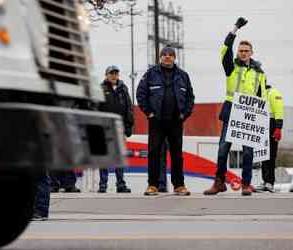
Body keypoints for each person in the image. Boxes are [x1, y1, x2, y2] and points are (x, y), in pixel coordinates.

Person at [203, 17, 267, 196]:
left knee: (248, 152)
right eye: (241, 50)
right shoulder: (231, 67)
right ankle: (219, 182)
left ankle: (246, 184)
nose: (243, 53)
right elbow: (225, 50)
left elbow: (262, 96)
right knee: (223, 149)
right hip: (232, 112)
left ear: (251, 53)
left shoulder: (259, 72)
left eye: (246, 50)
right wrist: (235, 29)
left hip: (249, 116)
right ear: (238, 52)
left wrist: (263, 119)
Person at [137, 46, 195, 196]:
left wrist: (185, 114)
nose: (167, 57)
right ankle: (153, 185)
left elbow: (190, 97)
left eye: (170, 55)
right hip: (157, 121)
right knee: (154, 153)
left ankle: (179, 185)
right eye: (164, 54)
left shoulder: (183, 76)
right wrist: (149, 113)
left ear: (175, 58)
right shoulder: (151, 74)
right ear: (160, 57)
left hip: (176, 121)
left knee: (177, 154)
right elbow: (140, 94)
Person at [98, 65, 133, 193]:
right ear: (106, 75)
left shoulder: (123, 89)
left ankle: (120, 184)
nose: (114, 75)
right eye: (111, 73)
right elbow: (96, 108)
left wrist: (129, 125)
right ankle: (103, 185)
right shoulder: (100, 89)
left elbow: (129, 108)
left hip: (119, 128)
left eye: (116, 73)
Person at [254, 84, 283, 193]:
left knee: (271, 155)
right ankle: (265, 181)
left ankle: (270, 182)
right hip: (262, 125)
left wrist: (278, 127)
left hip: (271, 125)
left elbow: (279, 111)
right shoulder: (261, 95)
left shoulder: (273, 93)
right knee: (263, 154)